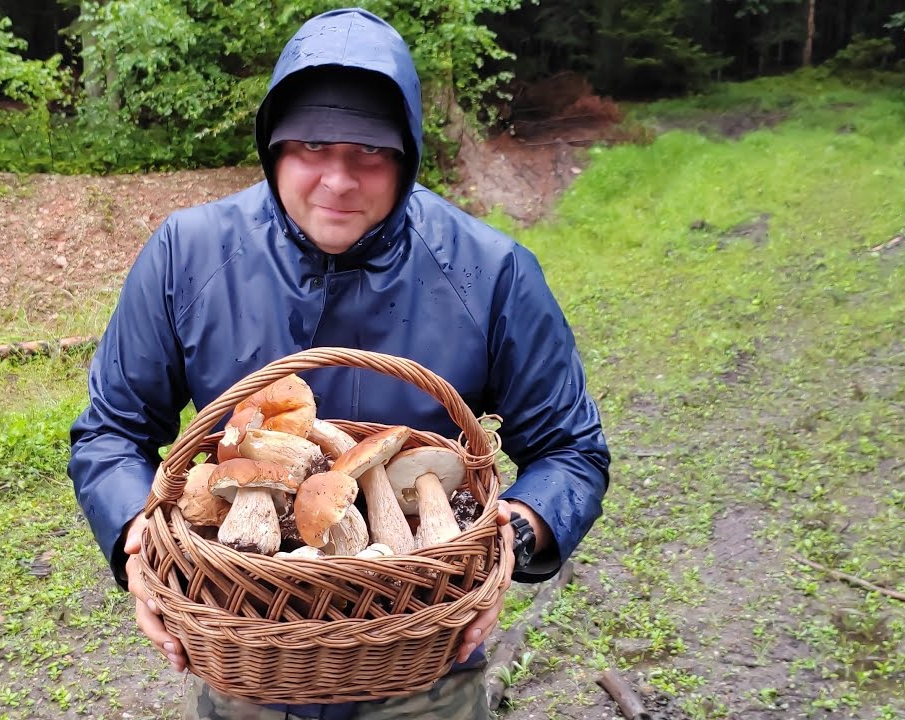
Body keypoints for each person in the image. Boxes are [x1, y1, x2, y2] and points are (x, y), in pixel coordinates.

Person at [68, 7, 611, 719]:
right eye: (312, 144)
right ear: (272, 145)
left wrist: (512, 533)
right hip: (250, 648)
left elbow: (571, 450)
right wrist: (135, 539)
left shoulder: (491, 272)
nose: (337, 179)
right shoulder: (187, 256)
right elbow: (110, 431)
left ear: (409, 152)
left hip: (424, 657)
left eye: (371, 152)